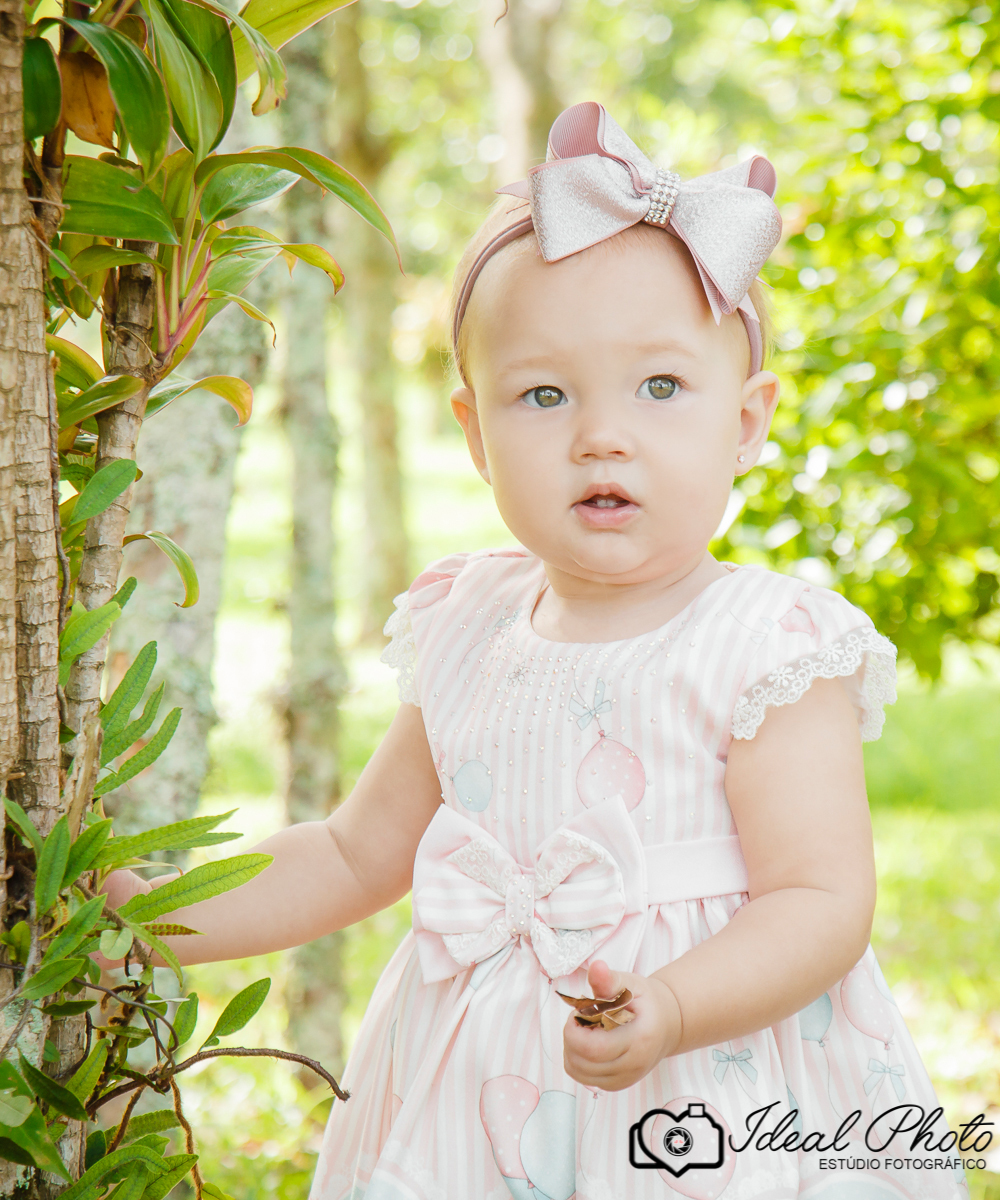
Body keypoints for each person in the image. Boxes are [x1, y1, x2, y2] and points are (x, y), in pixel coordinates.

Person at [101, 103, 968, 1200]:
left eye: (661, 388)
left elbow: (819, 898)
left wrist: (674, 1007)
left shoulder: (767, 645)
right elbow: (355, 854)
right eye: (544, 395)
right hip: (475, 1086)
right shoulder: (467, 620)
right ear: (474, 432)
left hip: (705, 1081)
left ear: (747, 422)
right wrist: (154, 918)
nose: (602, 436)